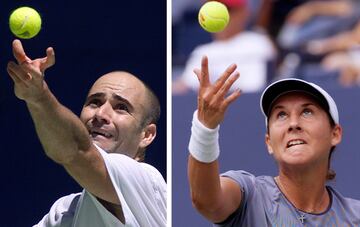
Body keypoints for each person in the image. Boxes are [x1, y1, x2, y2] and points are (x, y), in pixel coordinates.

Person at [6, 39, 166, 227]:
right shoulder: (64, 212)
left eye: (121, 107)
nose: (100, 114)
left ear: (146, 135)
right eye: (95, 102)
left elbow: (77, 150)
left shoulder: (148, 183)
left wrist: (39, 97)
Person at [187, 56, 360, 226]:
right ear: (269, 142)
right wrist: (205, 128)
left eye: (307, 112)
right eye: (281, 115)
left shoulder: (355, 216)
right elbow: (207, 201)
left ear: (335, 134)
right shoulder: (249, 194)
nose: (293, 124)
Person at [172, 0, 276, 95]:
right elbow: (185, 87)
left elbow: (257, 88)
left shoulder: (258, 43)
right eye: (212, 12)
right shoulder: (201, 52)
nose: (217, 16)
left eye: (228, 10)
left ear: (244, 12)